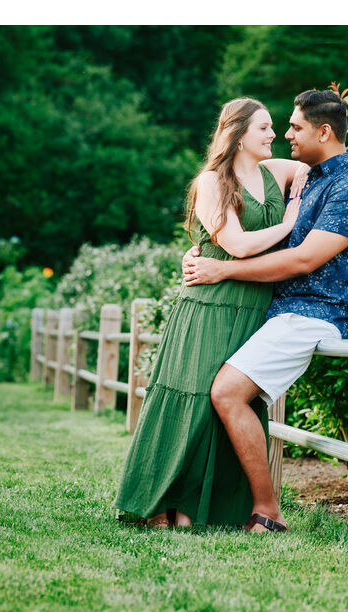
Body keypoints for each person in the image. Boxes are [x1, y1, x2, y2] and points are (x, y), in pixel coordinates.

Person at [182, 89, 348, 533]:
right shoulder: (308, 177)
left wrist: (224, 271)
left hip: (317, 313)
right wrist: (201, 250)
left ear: (324, 131)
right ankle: (195, 501)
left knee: (227, 392)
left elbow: (303, 260)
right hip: (280, 307)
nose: (286, 134)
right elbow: (242, 208)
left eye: (295, 127)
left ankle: (268, 511)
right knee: (209, 387)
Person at [113, 97, 308, 528]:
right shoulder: (211, 183)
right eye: (263, 128)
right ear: (237, 134)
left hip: (253, 310)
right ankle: (165, 505)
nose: (273, 134)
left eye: (274, 127)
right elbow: (236, 246)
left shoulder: (274, 172)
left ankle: (204, 509)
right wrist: (290, 224)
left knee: (231, 406)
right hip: (209, 308)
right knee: (195, 403)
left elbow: (320, 162)